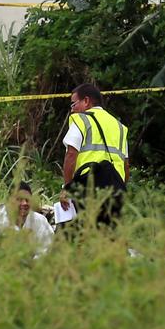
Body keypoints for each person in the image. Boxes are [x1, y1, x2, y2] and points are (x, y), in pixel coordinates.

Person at [62, 83, 129, 226]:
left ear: (86, 101)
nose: (72, 111)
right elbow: (125, 165)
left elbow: (71, 155)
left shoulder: (81, 120)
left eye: (73, 105)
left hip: (88, 188)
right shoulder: (119, 127)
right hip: (116, 190)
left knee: (87, 234)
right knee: (110, 237)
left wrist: (67, 188)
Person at [0, 182, 54, 256]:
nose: (24, 203)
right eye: (19, 199)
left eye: (27, 200)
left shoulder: (39, 220)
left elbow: (47, 248)